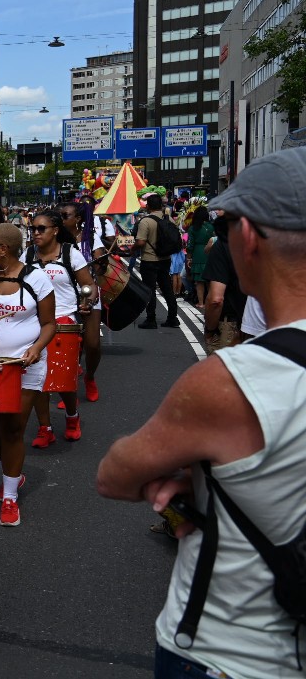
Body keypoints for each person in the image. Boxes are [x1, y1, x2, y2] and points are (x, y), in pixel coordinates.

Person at [97, 146, 306, 679]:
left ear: (250, 238)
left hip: (231, 653)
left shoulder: (233, 382)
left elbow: (117, 475)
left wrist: (193, 471)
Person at [0, 223, 55, 526]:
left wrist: (36, 349)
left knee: (13, 429)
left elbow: (49, 324)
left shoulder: (36, 279)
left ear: (3, 249)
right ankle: (12, 471)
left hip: (24, 367)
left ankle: (9, 496)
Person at [24, 211, 98, 447]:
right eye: (33, 229)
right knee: (37, 381)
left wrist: (86, 302)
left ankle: (72, 417)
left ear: (55, 230)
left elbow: (88, 285)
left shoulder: (71, 255)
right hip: (33, 324)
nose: (36, 233)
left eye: (41, 228)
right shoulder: (26, 256)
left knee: (63, 380)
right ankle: (45, 428)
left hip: (64, 322)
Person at [59, 201, 108, 401]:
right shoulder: (57, 240)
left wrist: (100, 263)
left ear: (77, 219)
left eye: (65, 216)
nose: (61, 219)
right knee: (71, 346)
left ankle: (89, 376)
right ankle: (70, 390)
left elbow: (100, 267)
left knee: (92, 344)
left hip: (89, 293)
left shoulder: (90, 238)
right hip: (65, 297)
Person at [201, 214, 248, 355]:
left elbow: (216, 299)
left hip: (232, 322)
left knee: (226, 373)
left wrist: (209, 330)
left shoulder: (224, 244)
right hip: (275, 326)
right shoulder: (279, 243)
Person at [134, 194, 180, 329]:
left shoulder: (145, 221)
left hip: (149, 260)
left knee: (149, 290)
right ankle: (172, 318)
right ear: (161, 205)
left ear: (147, 206)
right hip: (165, 259)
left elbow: (141, 242)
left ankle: (151, 319)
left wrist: (133, 249)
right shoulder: (169, 219)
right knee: (167, 289)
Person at [186, 207, 215, 309]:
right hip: (210, 254)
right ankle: (211, 302)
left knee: (199, 281)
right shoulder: (211, 227)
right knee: (210, 280)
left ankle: (201, 303)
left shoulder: (193, 228)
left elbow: (190, 245)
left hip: (198, 254)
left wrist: (189, 258)